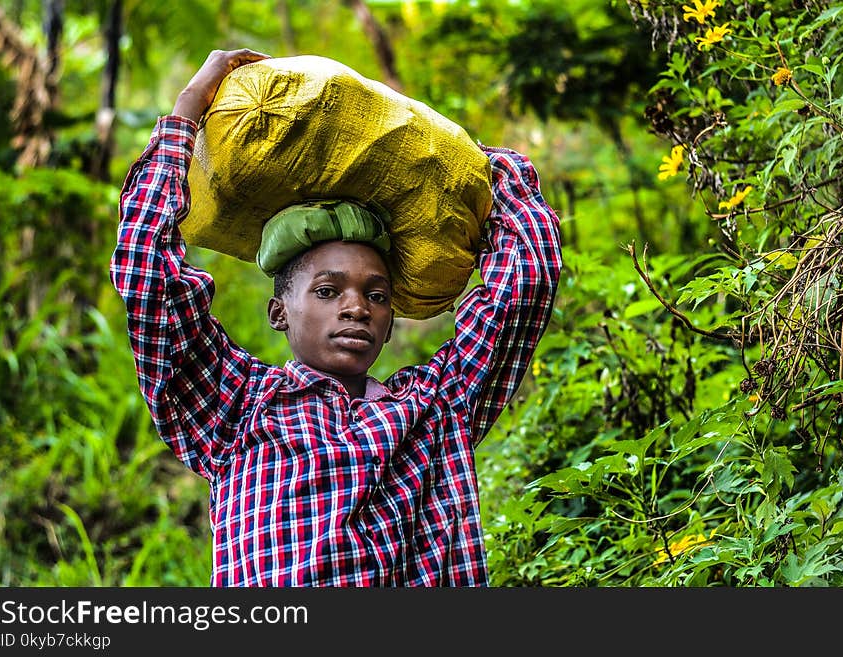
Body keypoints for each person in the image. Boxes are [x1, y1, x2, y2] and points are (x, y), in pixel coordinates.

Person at [110, 48, 562, 586]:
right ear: (278, 311)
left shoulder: (437, 407)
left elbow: (527, 280)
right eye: (327, 291)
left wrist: (468, 165)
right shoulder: (237, 411)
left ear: (391, 320)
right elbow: (146, 275)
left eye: (376, 296)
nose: (355, 307)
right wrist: (187, 112)